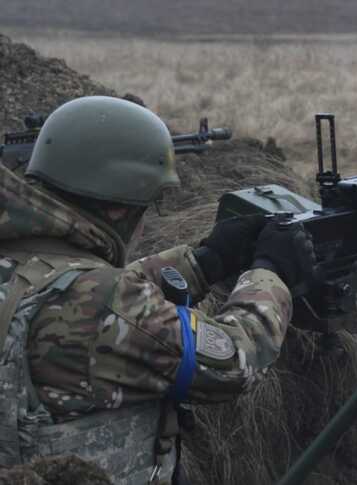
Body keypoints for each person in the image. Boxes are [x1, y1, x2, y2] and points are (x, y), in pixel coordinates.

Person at [0, 96, 312, 484]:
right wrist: (271, 272)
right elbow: (233, 362)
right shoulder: (104, 305)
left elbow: (73, 290)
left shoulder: (18, 261)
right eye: (147, 206)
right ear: (118, 209)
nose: (146, 223)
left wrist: (203, 263)